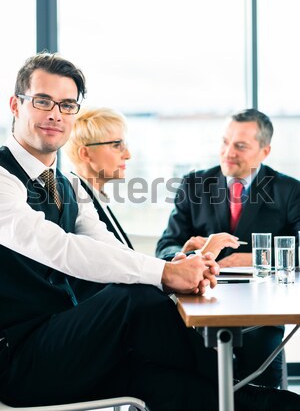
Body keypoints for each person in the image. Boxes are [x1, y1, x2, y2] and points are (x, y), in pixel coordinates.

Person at [0, 53, 299, 411]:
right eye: (43, 101)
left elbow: (108, 246)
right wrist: (167, 273)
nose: (55, 114)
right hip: (20, 358)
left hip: (72, 344)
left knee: (177, 388)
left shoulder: (67, 186)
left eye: (67, 105)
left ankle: (256, 399)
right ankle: (234, 384)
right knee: (132, 299)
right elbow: (59, 248)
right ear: (16, 105)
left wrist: (179, 268)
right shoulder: (4, 178)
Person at [156, 108, 300, 388]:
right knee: (199, 381)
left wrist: (259, 257)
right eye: (225, 142)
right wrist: (185, 253)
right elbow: (165, 246)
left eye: (241, 146)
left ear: (265, 151)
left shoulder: (289, 191)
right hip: (203, 305)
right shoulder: (194, 184)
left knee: (262, 383)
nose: (228, 152)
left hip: (264, 311)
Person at [64, 107, 133, 248]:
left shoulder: (95, 196)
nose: (127, 155)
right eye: (116, 145)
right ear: (85, 154)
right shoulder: (76, 200)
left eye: (124, 145)